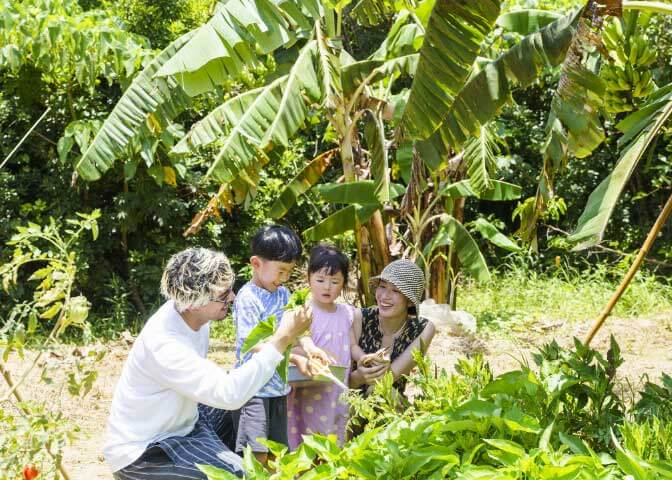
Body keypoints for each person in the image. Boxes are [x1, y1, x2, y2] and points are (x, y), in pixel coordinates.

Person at [103, 247, 312, 480]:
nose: (232, 298)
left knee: (251, 411)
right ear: (194, 303)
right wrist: (283, 338)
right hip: (146, 450)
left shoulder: (195, 317)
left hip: (184, 419)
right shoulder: (165, 344)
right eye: (223, 296)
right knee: (239, 475)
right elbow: (229, 394)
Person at [232, 225, 324, 464]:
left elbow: (294, 330)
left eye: (289, 272)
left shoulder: (283, 294)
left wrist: (310, 348)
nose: (283, 279)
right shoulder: (248, 298)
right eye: (280, 271)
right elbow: (252, 344)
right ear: (256, 263)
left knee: (277, 455)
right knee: (256, 454)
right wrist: (295, 358)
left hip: (278, 389)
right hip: (253, 390)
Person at [287, 244, 355, 449]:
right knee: (308, 436)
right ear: (309, 279)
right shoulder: (303, 311)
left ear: (343, 283)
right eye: (320, 280)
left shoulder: (347, 313)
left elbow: (352, 345)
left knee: (335, 435)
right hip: (308, 387)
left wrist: (364, 357)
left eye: (334, 281)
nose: (327, 287)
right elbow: (292, 345)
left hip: (337, 389)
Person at [349, 259, 436, 394]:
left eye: (396, 291)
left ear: (410, 302)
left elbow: (386, 380)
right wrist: (357, 378)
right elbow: (340, 380)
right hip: (347, 406)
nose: (384, 296)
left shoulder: (422, 329)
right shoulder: (359, 318)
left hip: (392, 409)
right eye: (382, 286)